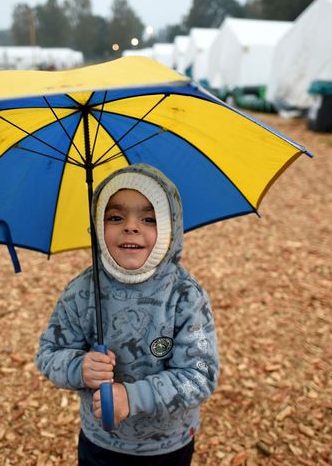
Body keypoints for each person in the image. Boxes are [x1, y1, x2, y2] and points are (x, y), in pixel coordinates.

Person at [35, 163, 219, 465]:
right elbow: (48, 353)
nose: (130, 226)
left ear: (170, 228)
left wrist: (132, 398)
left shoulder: (185, 296)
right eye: (116, 217)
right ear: (96, 226)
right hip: (101, 441)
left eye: (148, 218)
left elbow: (199, 376)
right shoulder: (81, 292)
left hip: (168, 446)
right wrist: (79, 367)